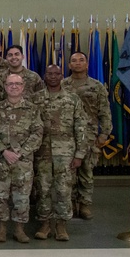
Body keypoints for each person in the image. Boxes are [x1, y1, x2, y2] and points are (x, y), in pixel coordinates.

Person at [35, 65, 88, 242]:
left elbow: (80, 126)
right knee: (43, 189)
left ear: (61, 76)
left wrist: (80, 154)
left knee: (64, 189)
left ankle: (61, 225)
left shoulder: (72, 99)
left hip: (65, 152)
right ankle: (45, 223)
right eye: (49, 73)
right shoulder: (36, 98)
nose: (52, 77)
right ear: (44, 76)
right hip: (41, 151)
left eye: (56, 74)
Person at [0, 74, 43, 243]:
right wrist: (4, 151)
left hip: (23, 161)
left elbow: (37, 133)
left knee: (22, 196)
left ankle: (19, 229)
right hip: (1, 159)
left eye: (17, 84)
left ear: (23, 86)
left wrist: (21, 152)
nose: (14, 86)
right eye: (10, 84)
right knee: (0, 195)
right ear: (5, 87)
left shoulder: (32, 109)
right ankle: (1, 228)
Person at [62, 51, 112, 220]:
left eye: (81, 60)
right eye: (74, 61)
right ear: (69, 65)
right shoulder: (62, 85)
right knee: (68, 171)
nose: (77, 63)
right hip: (67, 135)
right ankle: (70, 203)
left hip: (89, 135)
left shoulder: (96, 86)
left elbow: (105, 112)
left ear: (87, 64)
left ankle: (85, 204)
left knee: (86, 171)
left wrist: (104, 133)